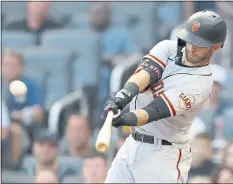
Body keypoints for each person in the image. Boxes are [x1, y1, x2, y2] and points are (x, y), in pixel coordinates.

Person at [101, 10, 227, 183]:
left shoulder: (201, 83)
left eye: (200, 43)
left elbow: (154, 111)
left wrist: (124, 118)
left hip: (162, 156)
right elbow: (146, 74)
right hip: (132, 143)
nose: (191, 47)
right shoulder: (168, 47)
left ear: (217, 46)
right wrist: (123, 96)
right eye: (190, 39)